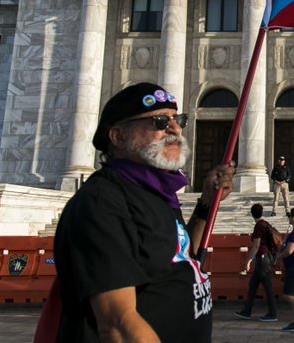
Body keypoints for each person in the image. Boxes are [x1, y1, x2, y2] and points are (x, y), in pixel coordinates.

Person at [54, 82, 236, 342]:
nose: (175, 129)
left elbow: (181, 258)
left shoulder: (154, 193)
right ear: (117, 136)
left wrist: (207, 202)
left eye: (177, 119)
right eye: (159, 122)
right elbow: (118, 325)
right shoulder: (103, 202)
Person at [234, 204, 278, 322]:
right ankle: (247, 311)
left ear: (252, 213)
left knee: (267, 287)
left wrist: (247, 261)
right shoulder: (265, 223)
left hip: (262, 259)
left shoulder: (259, 226)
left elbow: (256, 245)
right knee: (253, 285)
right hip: (264, 259)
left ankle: (273, 313)